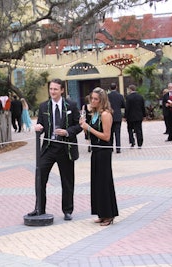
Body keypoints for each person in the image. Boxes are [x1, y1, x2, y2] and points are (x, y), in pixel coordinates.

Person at [27, 78, 82, 220]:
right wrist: (38, 127)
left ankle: (67, 210)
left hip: (65, 148)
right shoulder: (44, 106)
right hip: (49, 147)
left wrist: (67, 132)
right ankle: (39, 208)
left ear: (62, 90)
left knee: (67, 180)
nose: (52, 92)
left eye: (55, 89)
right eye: (51, 89)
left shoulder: (71, 105)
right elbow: (40, 124)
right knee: (40, 177)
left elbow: (78, 125)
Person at [79, 87, 118, 226]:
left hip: (103, 151)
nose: (93, 101)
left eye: (96, 99)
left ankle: (109, 214)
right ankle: (101, 212)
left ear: (102, 100)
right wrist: (85, 128)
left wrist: (89, 128)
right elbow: (91, 136)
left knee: (104, 181)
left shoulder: (106, 114)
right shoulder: (94, 114)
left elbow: (106, 136)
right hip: (95, 150)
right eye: (92, 98)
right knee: (97, 182)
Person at [108, 82, 125, 153]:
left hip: (109, 116)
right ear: (116, 87)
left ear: (110, 88)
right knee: (117, 133)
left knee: (110, 132)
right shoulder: (120, 96)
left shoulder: (107, 96)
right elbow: (123, 105)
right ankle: (118, 148)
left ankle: (110, 147)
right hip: (117, 116)